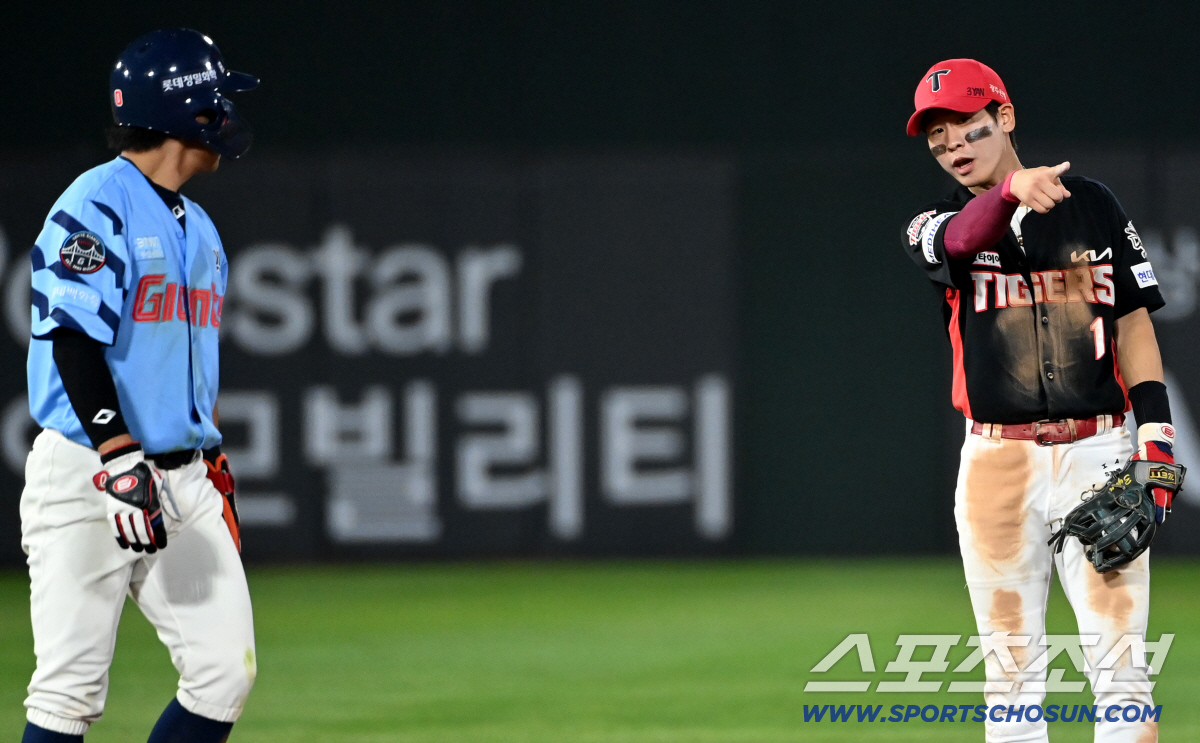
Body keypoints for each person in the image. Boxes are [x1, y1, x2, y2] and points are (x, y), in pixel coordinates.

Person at [902, 59, 1175, 742]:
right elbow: (965, 239)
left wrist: (1157, 439)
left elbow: (1132, 318)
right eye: (939, 141)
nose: (955, 147)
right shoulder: (934, 224)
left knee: (1121, 672)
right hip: (998, 461)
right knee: (1012, 680)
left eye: (967, 125)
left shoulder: (1093, 205)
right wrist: (1010, 192)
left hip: (1099, 450)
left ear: (1006, 116)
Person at [20, 28, 257, 743]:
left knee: (224, 674)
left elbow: (186, 361)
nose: (228, 113)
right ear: (189, 111)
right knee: (68, 693)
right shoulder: (98, 201)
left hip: (182, 482)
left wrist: (206, 451)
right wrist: (119, 451)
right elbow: (69, 333)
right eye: (217, 98)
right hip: (93, 470)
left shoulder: (202, 228)